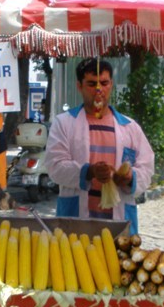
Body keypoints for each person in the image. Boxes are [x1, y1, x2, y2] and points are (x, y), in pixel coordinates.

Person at [45, 58, 154, 235]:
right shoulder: (64, 123)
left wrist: (129, 177)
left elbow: (147, 169)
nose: (99, 90)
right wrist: (89, 172)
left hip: (118, 219)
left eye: (104, 83)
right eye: (91, 84)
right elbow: (55, 166)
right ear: (79, 86)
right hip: (76, 218)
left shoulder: (130, 127)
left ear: (111, 84)